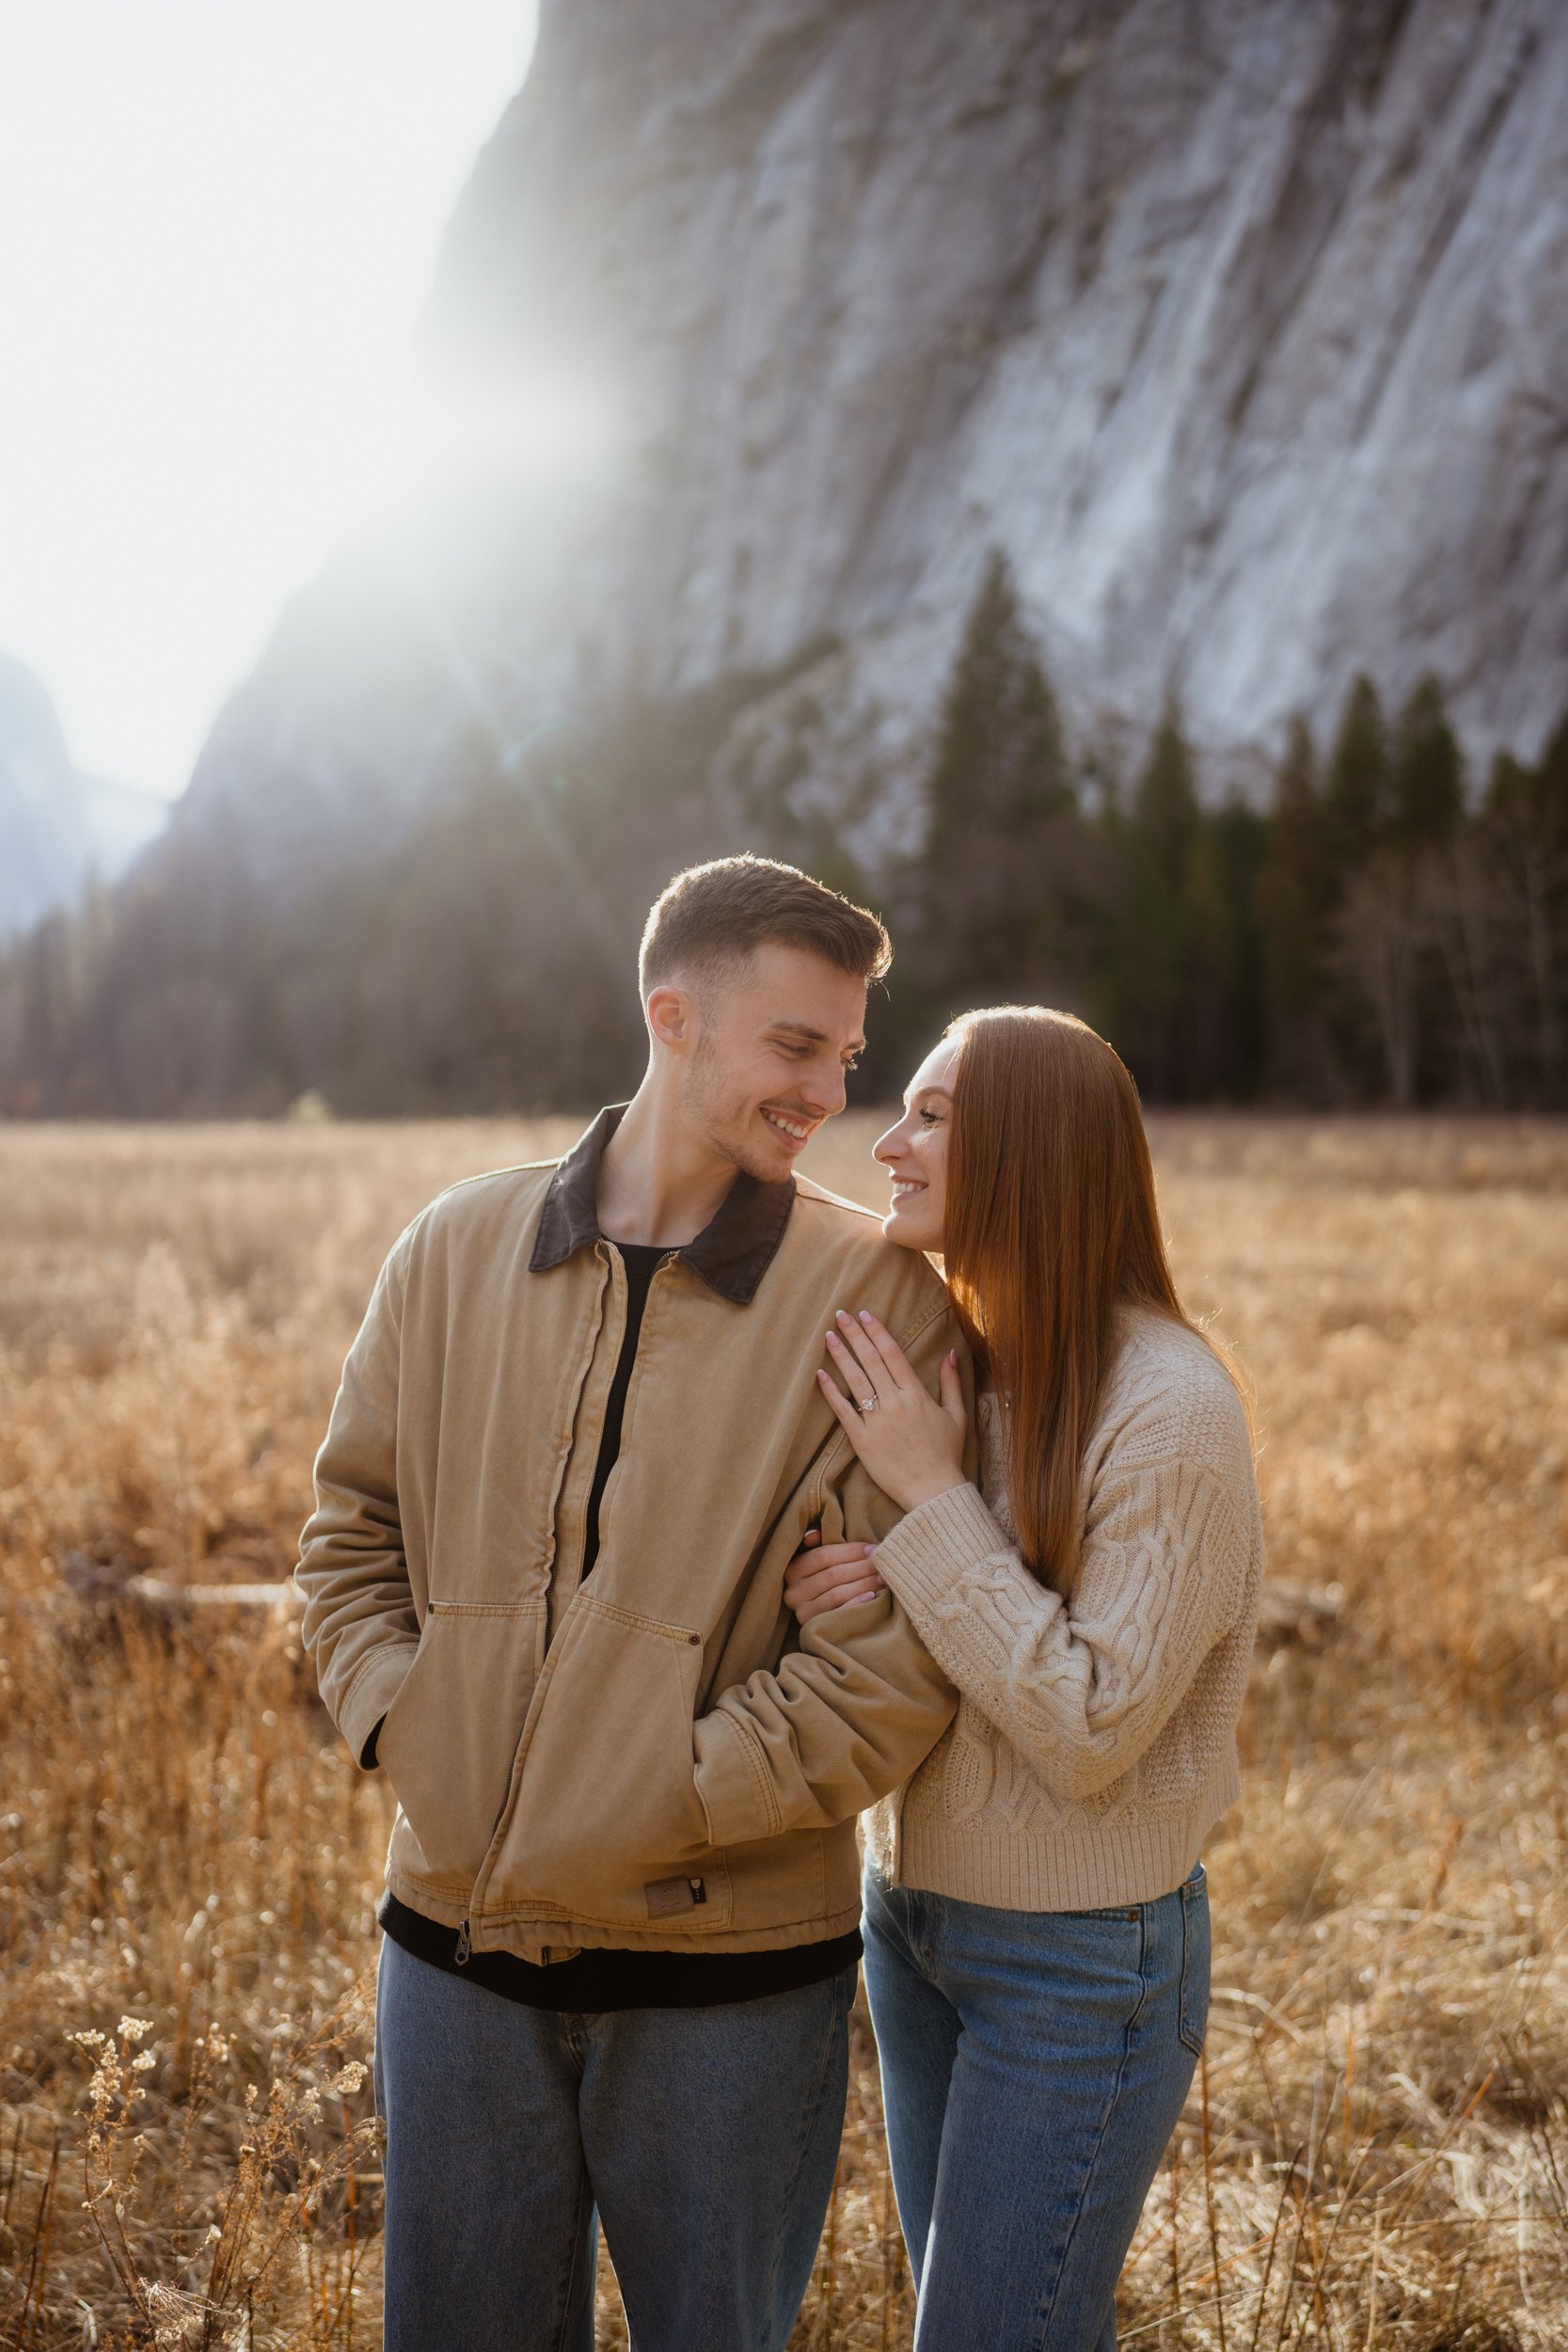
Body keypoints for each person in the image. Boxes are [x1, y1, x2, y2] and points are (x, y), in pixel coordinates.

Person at [294, 855, 973, 2352]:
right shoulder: (455, 1248)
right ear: (672, 1015)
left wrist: (663, 1793)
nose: (827, 1094)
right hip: (454, 1960)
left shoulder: (881, 1301)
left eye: (848, 1056)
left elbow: (896, 1654)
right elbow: (348, 1534)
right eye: (795, 1046)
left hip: (727, 1984)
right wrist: (413, 1730)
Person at [784, 1006, 1263, 2352]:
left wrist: (928, 1499)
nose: (887, 1143)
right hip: (911, 1922)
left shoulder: (1170, 1411)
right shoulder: (962, 1364)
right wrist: (849, 1598)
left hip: (1079, 1963)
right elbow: (969, 1608)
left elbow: (1088, 1723)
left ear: (1033, 1148)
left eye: (931, 1114)